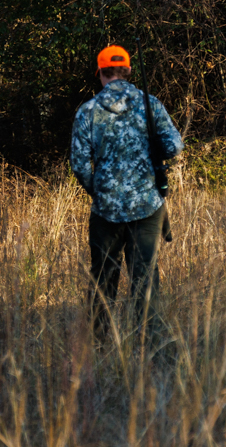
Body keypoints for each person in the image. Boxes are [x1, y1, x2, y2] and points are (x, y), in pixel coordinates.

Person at [70, 44, 184, 340]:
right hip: (147, 206)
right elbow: (174, 147)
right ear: (129, 71)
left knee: (103, 280)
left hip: (105, 211)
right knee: (144, 280)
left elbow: (80, 165)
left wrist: (99, 192)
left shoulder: (88, 112)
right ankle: (151, 345)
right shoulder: (151, 104)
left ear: (100, 74)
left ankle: (99, 344)